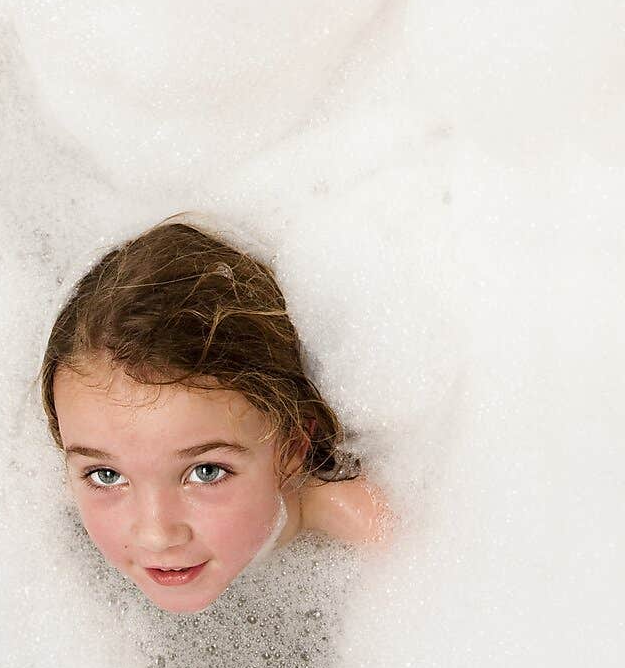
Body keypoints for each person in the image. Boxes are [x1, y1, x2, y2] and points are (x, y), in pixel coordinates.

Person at [38, 215, 395, 613]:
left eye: (206, 472)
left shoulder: (374, 531)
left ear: (293, 448)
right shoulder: (47, 540)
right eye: (106, 475)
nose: (158, 534)